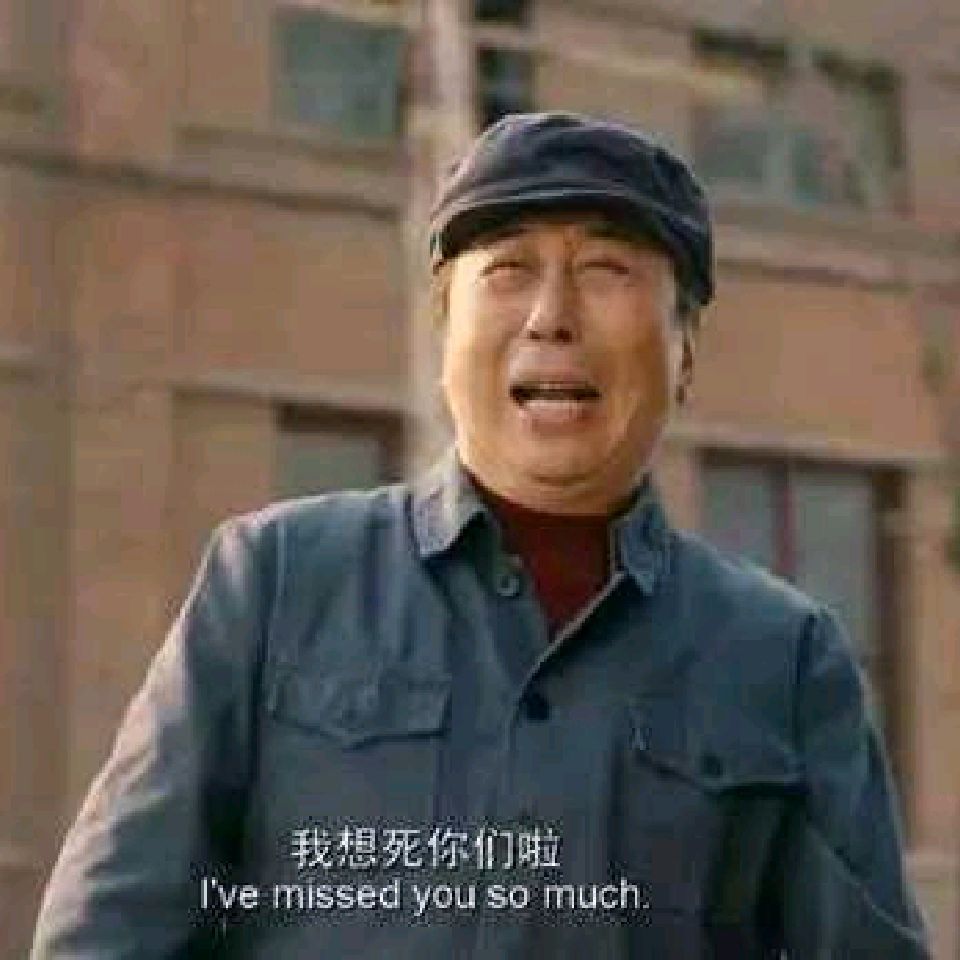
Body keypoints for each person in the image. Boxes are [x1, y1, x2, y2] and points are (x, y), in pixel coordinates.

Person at [31, 111, 930, 958]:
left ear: (684, 349)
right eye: (507, 270)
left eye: (607, 270)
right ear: (444, 332)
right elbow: (107, 934)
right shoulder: (274, 583)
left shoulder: (783, 657)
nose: (552, 316)